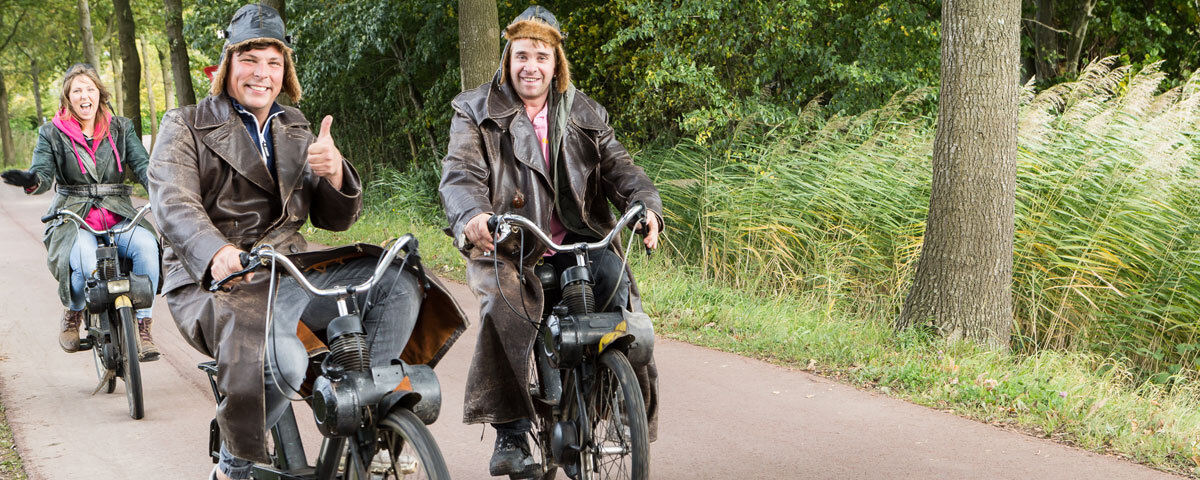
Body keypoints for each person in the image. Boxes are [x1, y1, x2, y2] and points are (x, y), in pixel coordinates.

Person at [148, 5, 464, 480]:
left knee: (400, 280)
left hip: (291, 269)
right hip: (217, 280)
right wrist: (216, 253)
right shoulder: (185, 124)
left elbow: (334, 220)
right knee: (284, 359)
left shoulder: (294, 125)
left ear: (285, 71)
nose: (262, 73)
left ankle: (369, 424)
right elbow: (173, 203)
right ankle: (235, 463)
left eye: (274, 62)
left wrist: (334, 172)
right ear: (228, 64)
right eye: (251, 59)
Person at [439, 6, 663, 476]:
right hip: (511, 247)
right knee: (505, 309)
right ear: (508, 59)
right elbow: (460, 174)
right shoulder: (475, 111)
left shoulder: (584, 112)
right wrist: (473, 216)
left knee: (619, 295)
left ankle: (621, 407)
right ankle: (512, 431)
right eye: (521, 55)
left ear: (556, 63)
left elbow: (621, 169)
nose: (531, 66)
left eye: (541, 56)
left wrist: (645, 205)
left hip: (580, 242)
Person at [1, 63, 161, 361]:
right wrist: (32, 180)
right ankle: (74, 314)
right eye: (77, 91)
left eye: (90, 89)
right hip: (74, 214)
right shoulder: (50, 133)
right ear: (68, 98)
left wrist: (163, 192)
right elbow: (44, 173)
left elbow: (143, 167)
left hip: (117, 210)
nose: (84, 95)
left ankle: (143, 326)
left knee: (147, 247)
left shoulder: (122, 127)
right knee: (87, 266)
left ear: (100, 94)